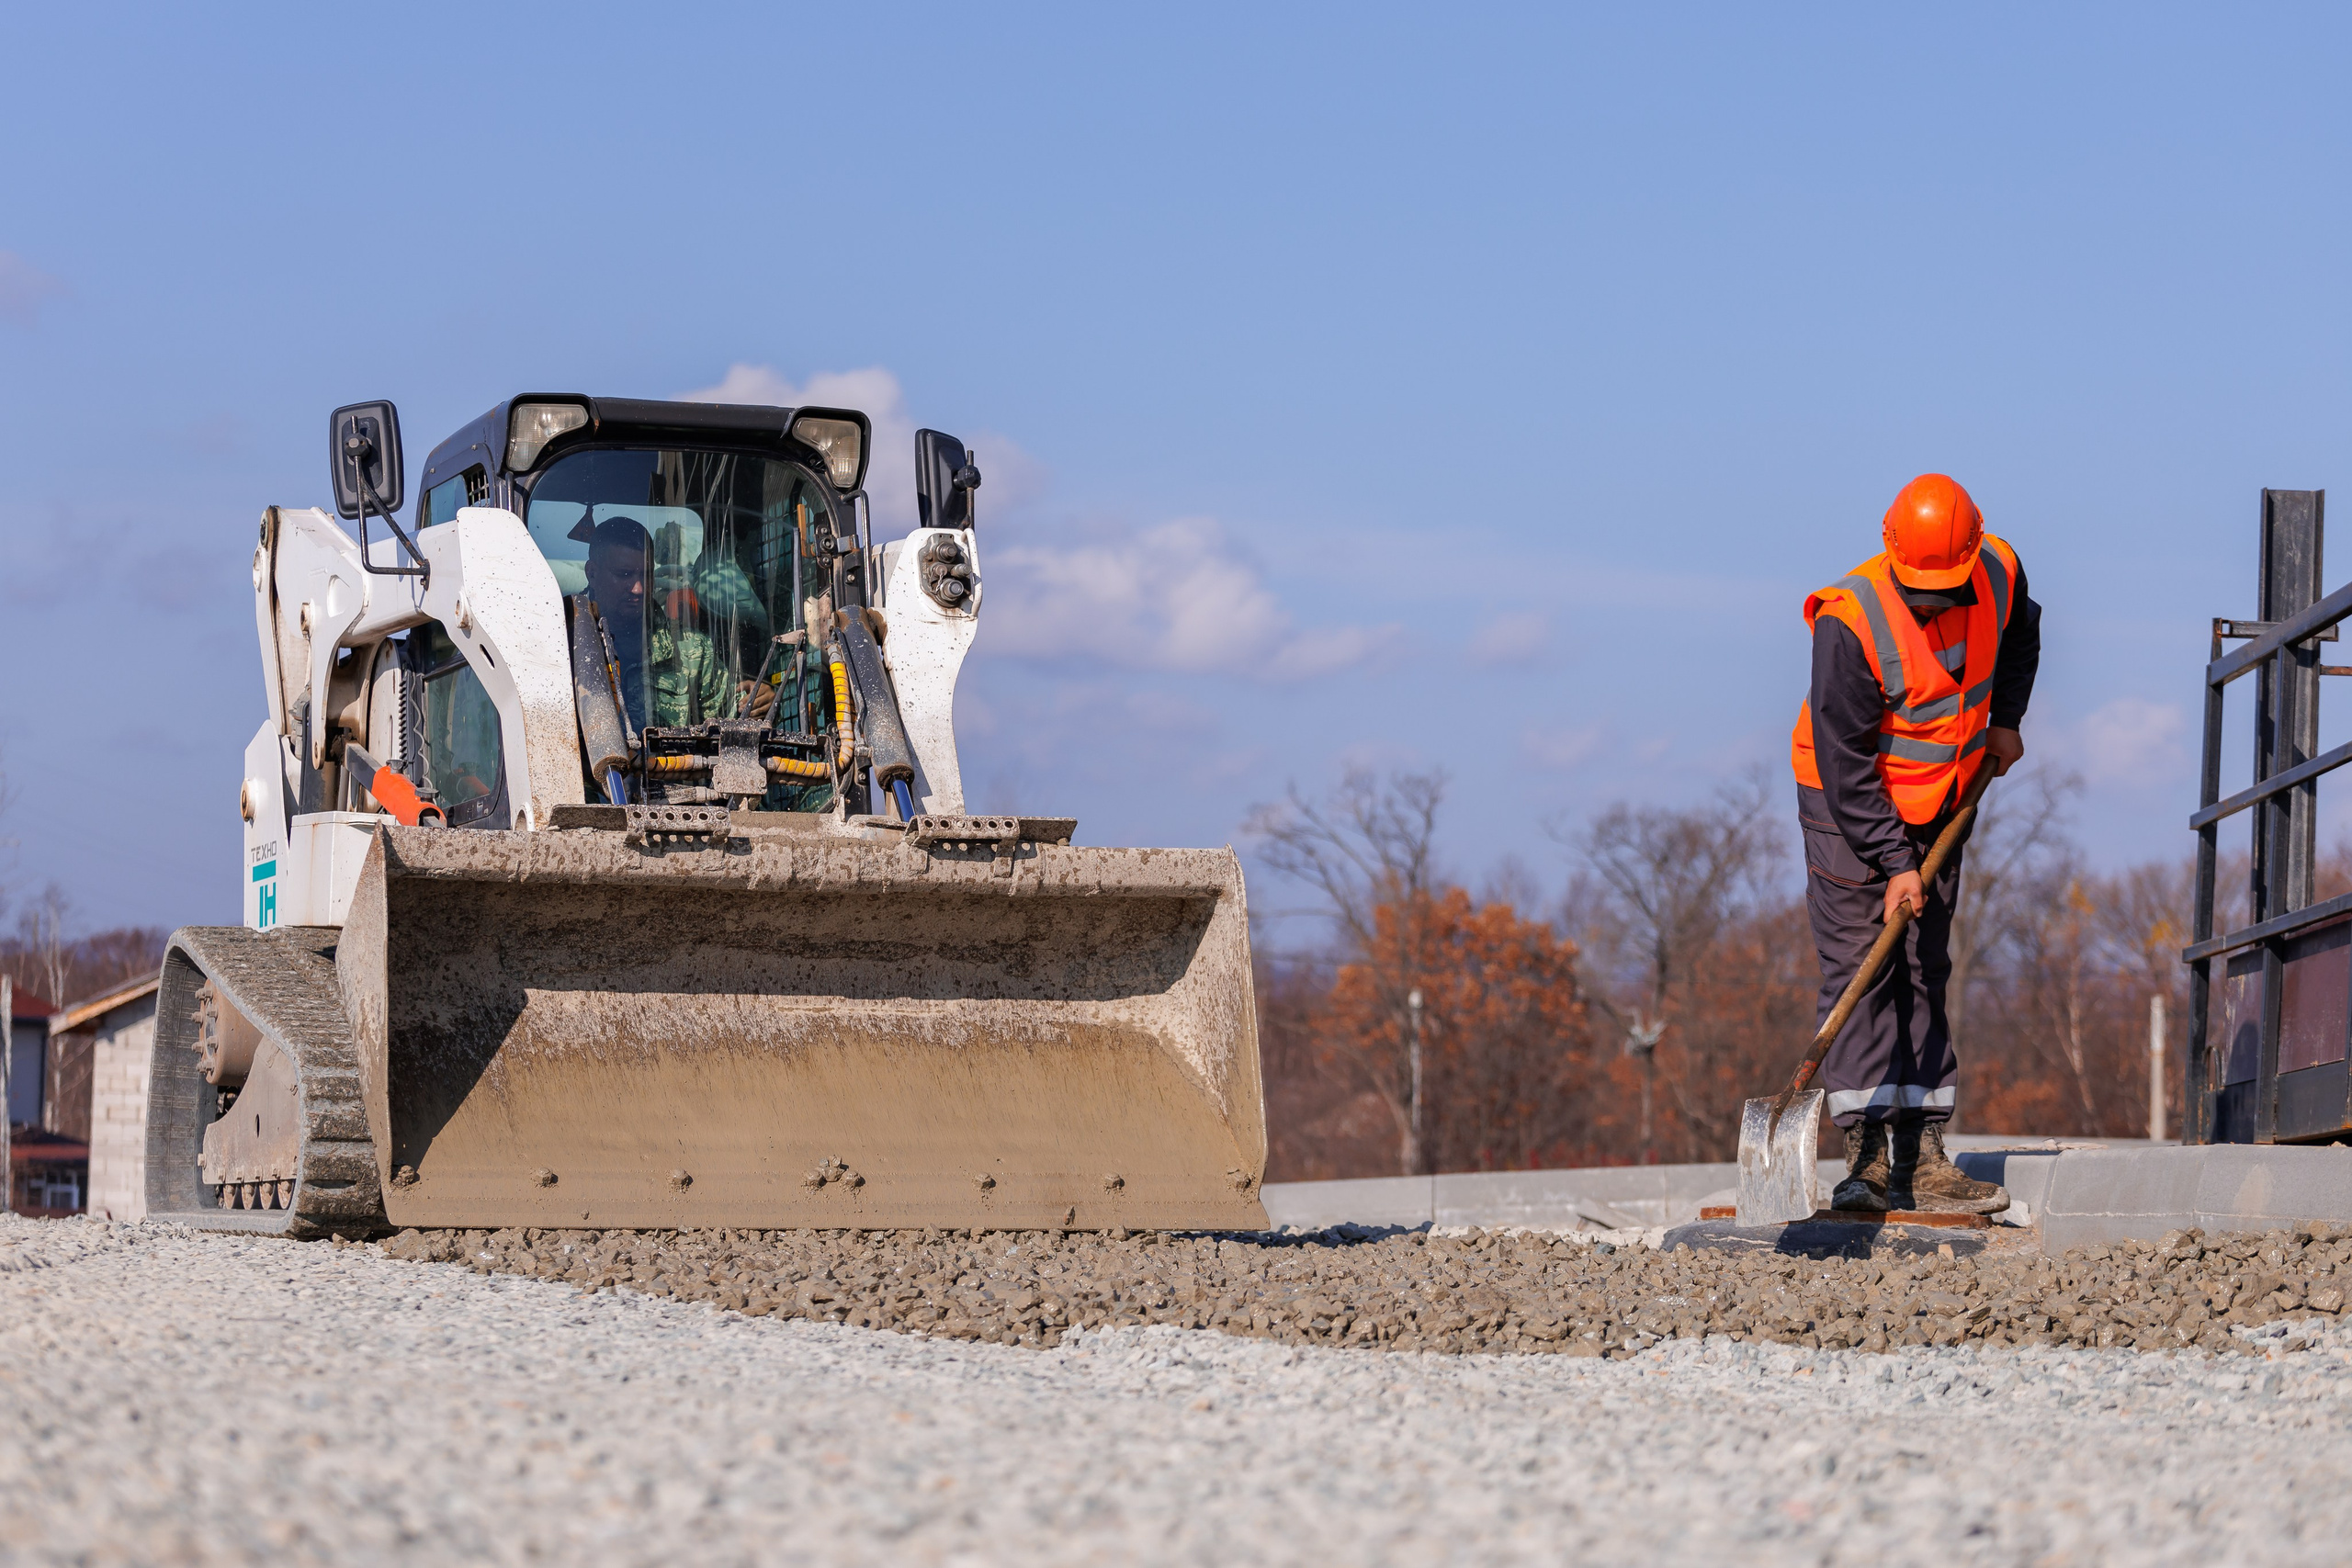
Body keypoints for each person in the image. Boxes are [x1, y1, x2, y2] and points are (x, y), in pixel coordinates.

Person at [1790, 473, 2041, 1213]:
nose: (1931, 602)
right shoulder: (1850, 619)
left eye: (1945, 590)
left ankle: (1922, 1155)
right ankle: (1867, 1158)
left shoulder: (2000, 571)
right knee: (1863, 967)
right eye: (1918, 591)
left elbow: (2021, 636)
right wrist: (1895, 861)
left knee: (1925, 963)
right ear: (1892, 553)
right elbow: (1844, 760)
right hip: (1848, 805)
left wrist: (2006, 718)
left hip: (1945, 796)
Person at [580, 516, 734, 731]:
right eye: (624, 574)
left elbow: (732, 725)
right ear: (592, 573)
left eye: (646, 575)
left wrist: (760, 702)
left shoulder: (694, 652)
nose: (638, 589)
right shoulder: (562, 648)